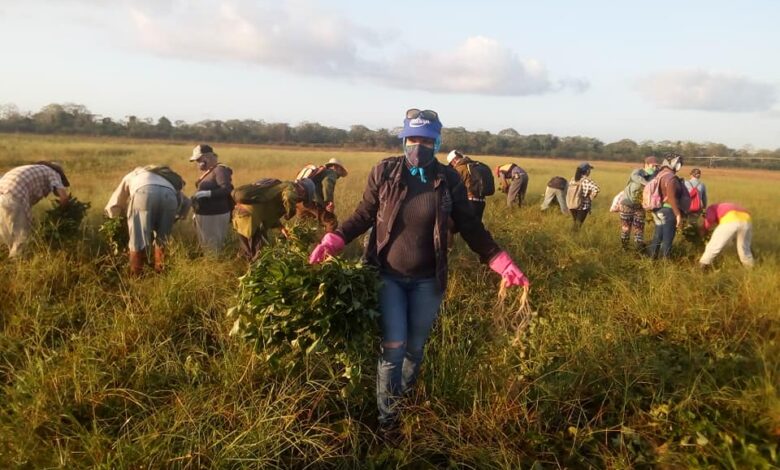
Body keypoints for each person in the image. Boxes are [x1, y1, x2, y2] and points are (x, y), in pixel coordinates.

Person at [308, 108, 529, 431]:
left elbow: (470, 225)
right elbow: (363, 215)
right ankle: (388, 421)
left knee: (414, 348)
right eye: (412, 138)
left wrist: (500, 260)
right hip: (387, 276)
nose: (418, 146)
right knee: (393, 346)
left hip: (429, 280)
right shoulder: (385, 172)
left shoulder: (448, 178)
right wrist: (334, 239)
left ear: (437, 142)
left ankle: (406, 400)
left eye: (426, 140)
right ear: (403, 139)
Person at [105, 166, 189, 275]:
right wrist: (177, 216)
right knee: (163, 240)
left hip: (143, 194)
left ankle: (136, 276)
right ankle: (161, 273)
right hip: (170, 197)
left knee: (137, 241)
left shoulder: (133, 175)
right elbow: (186, 202)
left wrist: (114, 218)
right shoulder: (166, 178)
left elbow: (115, 202)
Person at [232, 178, 336, 261]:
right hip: (250, 219)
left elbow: (269, 214)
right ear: (304, 190)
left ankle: (236, 270)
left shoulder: (278, 190)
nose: (301, 200)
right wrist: (288, 214)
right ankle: (252, 278)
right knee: (259, 255)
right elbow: (289, 197)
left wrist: (281, 228)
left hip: (241, 216)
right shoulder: (290, 187)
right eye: (304, 197)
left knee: (246, 251)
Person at [0, 162, 71, 258]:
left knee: (7, 235)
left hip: (3, 195)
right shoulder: (53, 173)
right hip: (13, 197)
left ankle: (7, 261)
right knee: (21, 238)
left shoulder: (30, 168)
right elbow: (64, 198)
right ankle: (15, 265)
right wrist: (62, 214)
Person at [189, 144, 233, 252]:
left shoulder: (220, 170)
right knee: (206, 246)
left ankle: (215, 266)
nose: (198, 163)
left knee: (212, 247)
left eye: (199, 160)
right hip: (205, 214)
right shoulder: (210, 171)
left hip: (215, 214)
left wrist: (207, 194)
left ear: (207, 158)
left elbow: (226, 189)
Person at [647, 153, 685, 259]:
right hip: (668, 210)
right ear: (672, 163)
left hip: (657, 210)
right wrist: (678, 215)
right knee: (667, 239)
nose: (679, 166)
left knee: (658, 236)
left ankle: (652, 259)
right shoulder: (671, 177)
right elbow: (671, 197)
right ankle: (665, 262)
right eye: (678, 163)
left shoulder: (660, 173)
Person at [618, 156, 658, 251]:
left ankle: (638, 250)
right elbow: (636, 178)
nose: (654, 168)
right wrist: (649, 183)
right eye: (653, 166)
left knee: (639, 228)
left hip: (640, 206)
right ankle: (624, 248)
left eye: (656, 166)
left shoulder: (654, 175)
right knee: (626, 228)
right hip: (627, 204)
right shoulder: (637, 171)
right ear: (647, 164)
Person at [698, 202, 754, 269]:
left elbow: (709, 220)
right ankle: (750, 267)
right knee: (744, 248)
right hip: (747, 221)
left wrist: (703, 229)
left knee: (714, 244)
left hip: (730, 220)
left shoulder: (711, 208)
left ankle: (703, 265)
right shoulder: (729, 205)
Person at [446, 150, 490, 222]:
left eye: (451, 163)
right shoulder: (474, 165)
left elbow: (453, 187)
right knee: (477, 227)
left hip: (469, 202)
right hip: (481, 202)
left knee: (465, 227)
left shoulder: (460, 169)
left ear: (454, 160)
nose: (452, 165)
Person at [567, 162, 600, 230]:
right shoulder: (587, 180)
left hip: (572, 205)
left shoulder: (573, 179)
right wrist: (590, 198)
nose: (590, 171)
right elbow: (597, 189)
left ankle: (572, 236)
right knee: (578, 225)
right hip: (583, 206)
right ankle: (573, 238)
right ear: (587, 171)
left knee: (575, 223)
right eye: (589, 170)